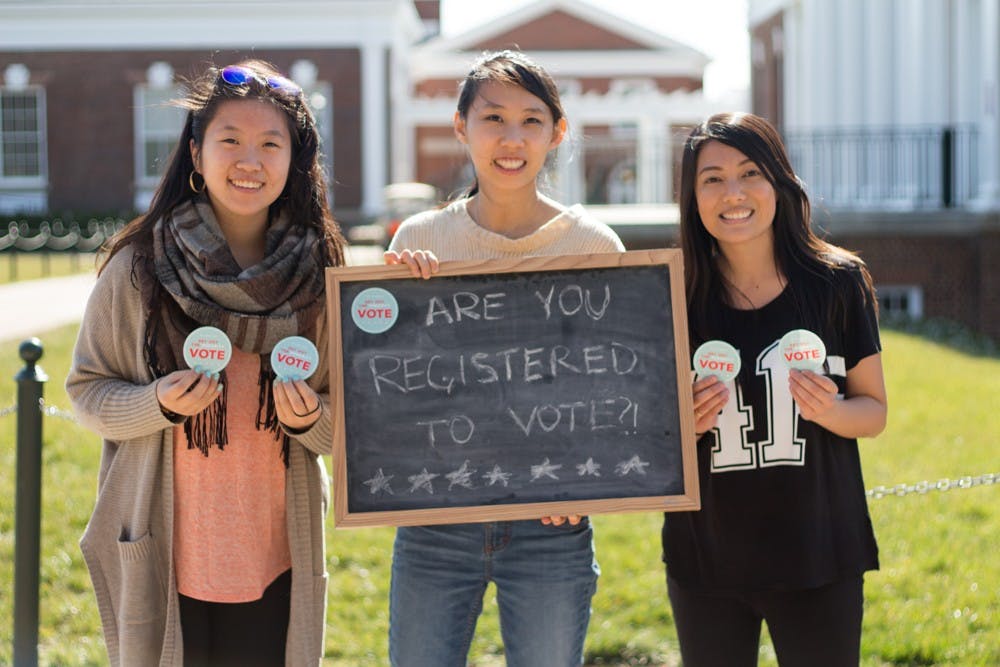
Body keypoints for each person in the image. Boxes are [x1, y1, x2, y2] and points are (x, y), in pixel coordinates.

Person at [66, 59, 346, 666]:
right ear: (196, 154)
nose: (251, 160)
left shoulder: (321, 275)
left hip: (277, 553)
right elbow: (88, 393)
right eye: (230, 141)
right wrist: (157, 403)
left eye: (272, 143)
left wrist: (307, 419)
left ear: (294, 161)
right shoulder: (139, 268)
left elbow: (342, 428)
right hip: (166, 552)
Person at [382, 50, 624, 667]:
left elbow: (616, 391)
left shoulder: (594, 247)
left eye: (531, 120)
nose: (511, 138)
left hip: (551, 525)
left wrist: (588, 484)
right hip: (437, 519)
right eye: (493, 118)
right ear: (461, 126)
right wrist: (398, 306)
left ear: (557, 132)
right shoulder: (419, 241)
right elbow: (390, 384)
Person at [661, 112, 888, 666]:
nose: (732, 193)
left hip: (821, 552)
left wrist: (831, 409)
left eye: (749, 173)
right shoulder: (672, 291)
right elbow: (644, 440)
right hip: (707, 558)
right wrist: (681, 427)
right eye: (711, 178)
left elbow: (874, 411)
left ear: (779, 182)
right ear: (691, 197)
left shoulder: (837, 282)